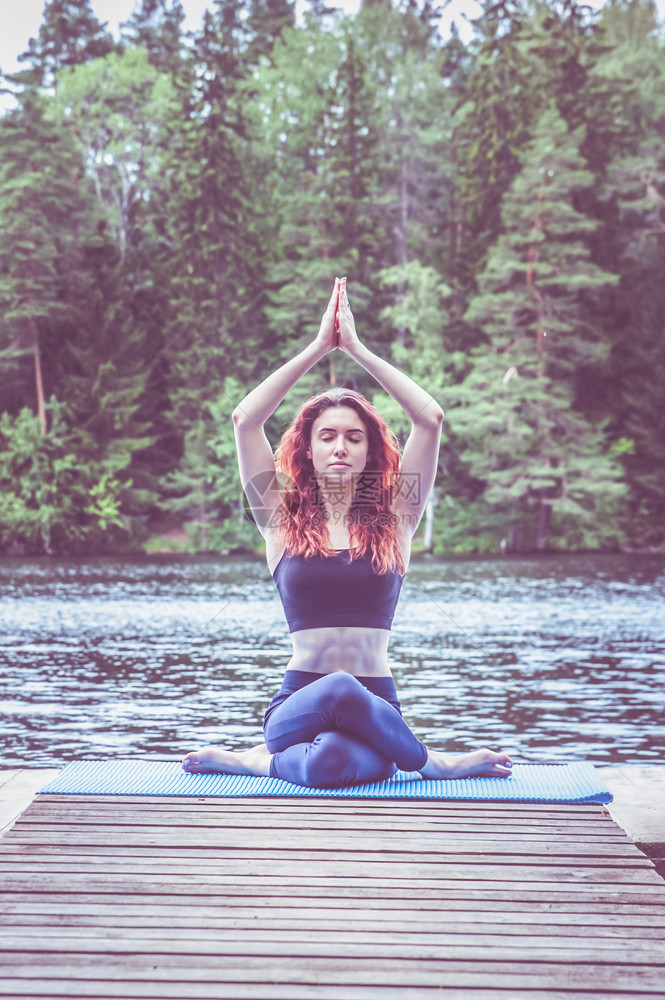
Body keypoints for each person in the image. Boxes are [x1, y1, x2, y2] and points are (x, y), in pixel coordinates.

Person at [182, 277, 513, 787]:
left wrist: (356, 349)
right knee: (337, 686)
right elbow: (246, 419)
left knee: (331, 765)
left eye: (354, 437)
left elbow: (430, 418)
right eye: (328, 436)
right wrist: (319, 347)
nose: (340, 446)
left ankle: (256, 762)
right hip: (299, 703)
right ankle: (431, 763)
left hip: (378, 705)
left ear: (369, 451)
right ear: (308, 450)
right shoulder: (281, 519)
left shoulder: (396, 518)